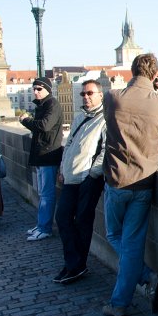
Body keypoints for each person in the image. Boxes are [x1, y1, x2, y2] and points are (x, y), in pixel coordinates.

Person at [102, 53, 158, 316]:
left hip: (116, 181)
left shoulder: (113, 97)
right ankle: (143, 277)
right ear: (155, 76)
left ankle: (120, 302)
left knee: (114, 236)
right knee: (131, 245)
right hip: (144, 184)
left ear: (132, 71)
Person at [53, 79, 106, 285]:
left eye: (90, 93)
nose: (86, 97)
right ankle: (73, 263)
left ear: (100, 95)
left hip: (87, 179)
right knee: (63, 218)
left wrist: (92, 175)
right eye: (83, 94)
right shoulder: (80, 117)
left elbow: (106, 150)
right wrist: (62, 168)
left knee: (82, 222)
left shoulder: (105, 119)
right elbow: (69, 145)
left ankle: (76, 265)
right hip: (70, 177)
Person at [20, 77, 64, 241]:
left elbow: (44, 126)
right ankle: (40, 225)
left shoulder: (52, 104)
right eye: (34, 89)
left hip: (48, 156)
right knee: (42, 193)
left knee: (47, 194)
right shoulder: (43, 105)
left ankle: (45, 228)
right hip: (41, 156)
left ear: (47, 89)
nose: (35, 91)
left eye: (39, 89)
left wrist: (26, 120)